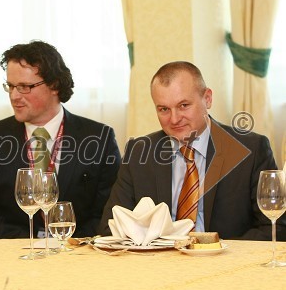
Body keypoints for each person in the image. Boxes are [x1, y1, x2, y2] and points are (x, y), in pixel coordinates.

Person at [99, 61, 284, 240]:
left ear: (208, 98)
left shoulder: (251, 149)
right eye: (164, 109)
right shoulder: (139, 152)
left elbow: (275, 227)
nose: (174, 119)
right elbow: (110, 227)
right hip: (158, 265)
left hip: (226, 264)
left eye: (183, 105)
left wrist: (216, 252)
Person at [0, 41, 120, 239]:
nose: (14, 96)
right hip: (15, 257)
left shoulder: (99, 138)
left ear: (54, 85)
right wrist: (34, 243)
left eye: (24, 87)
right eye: (10, 86)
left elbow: (110, 211)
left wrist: (67, 244)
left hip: (79, 257)